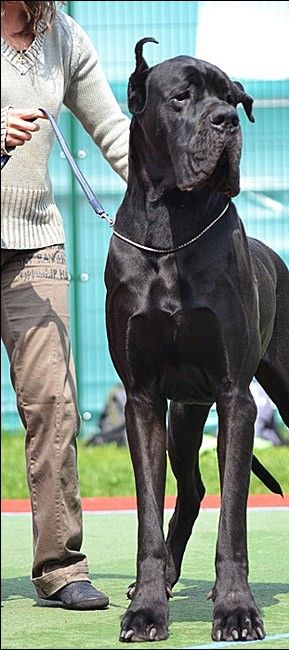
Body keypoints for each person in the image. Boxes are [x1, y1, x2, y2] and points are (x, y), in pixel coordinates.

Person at [1, 1, 130, 610]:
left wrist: (177, 181)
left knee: (54, 400)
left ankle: (60, 565)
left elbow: (114, 132)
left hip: (33, 243)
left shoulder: (63, 35)